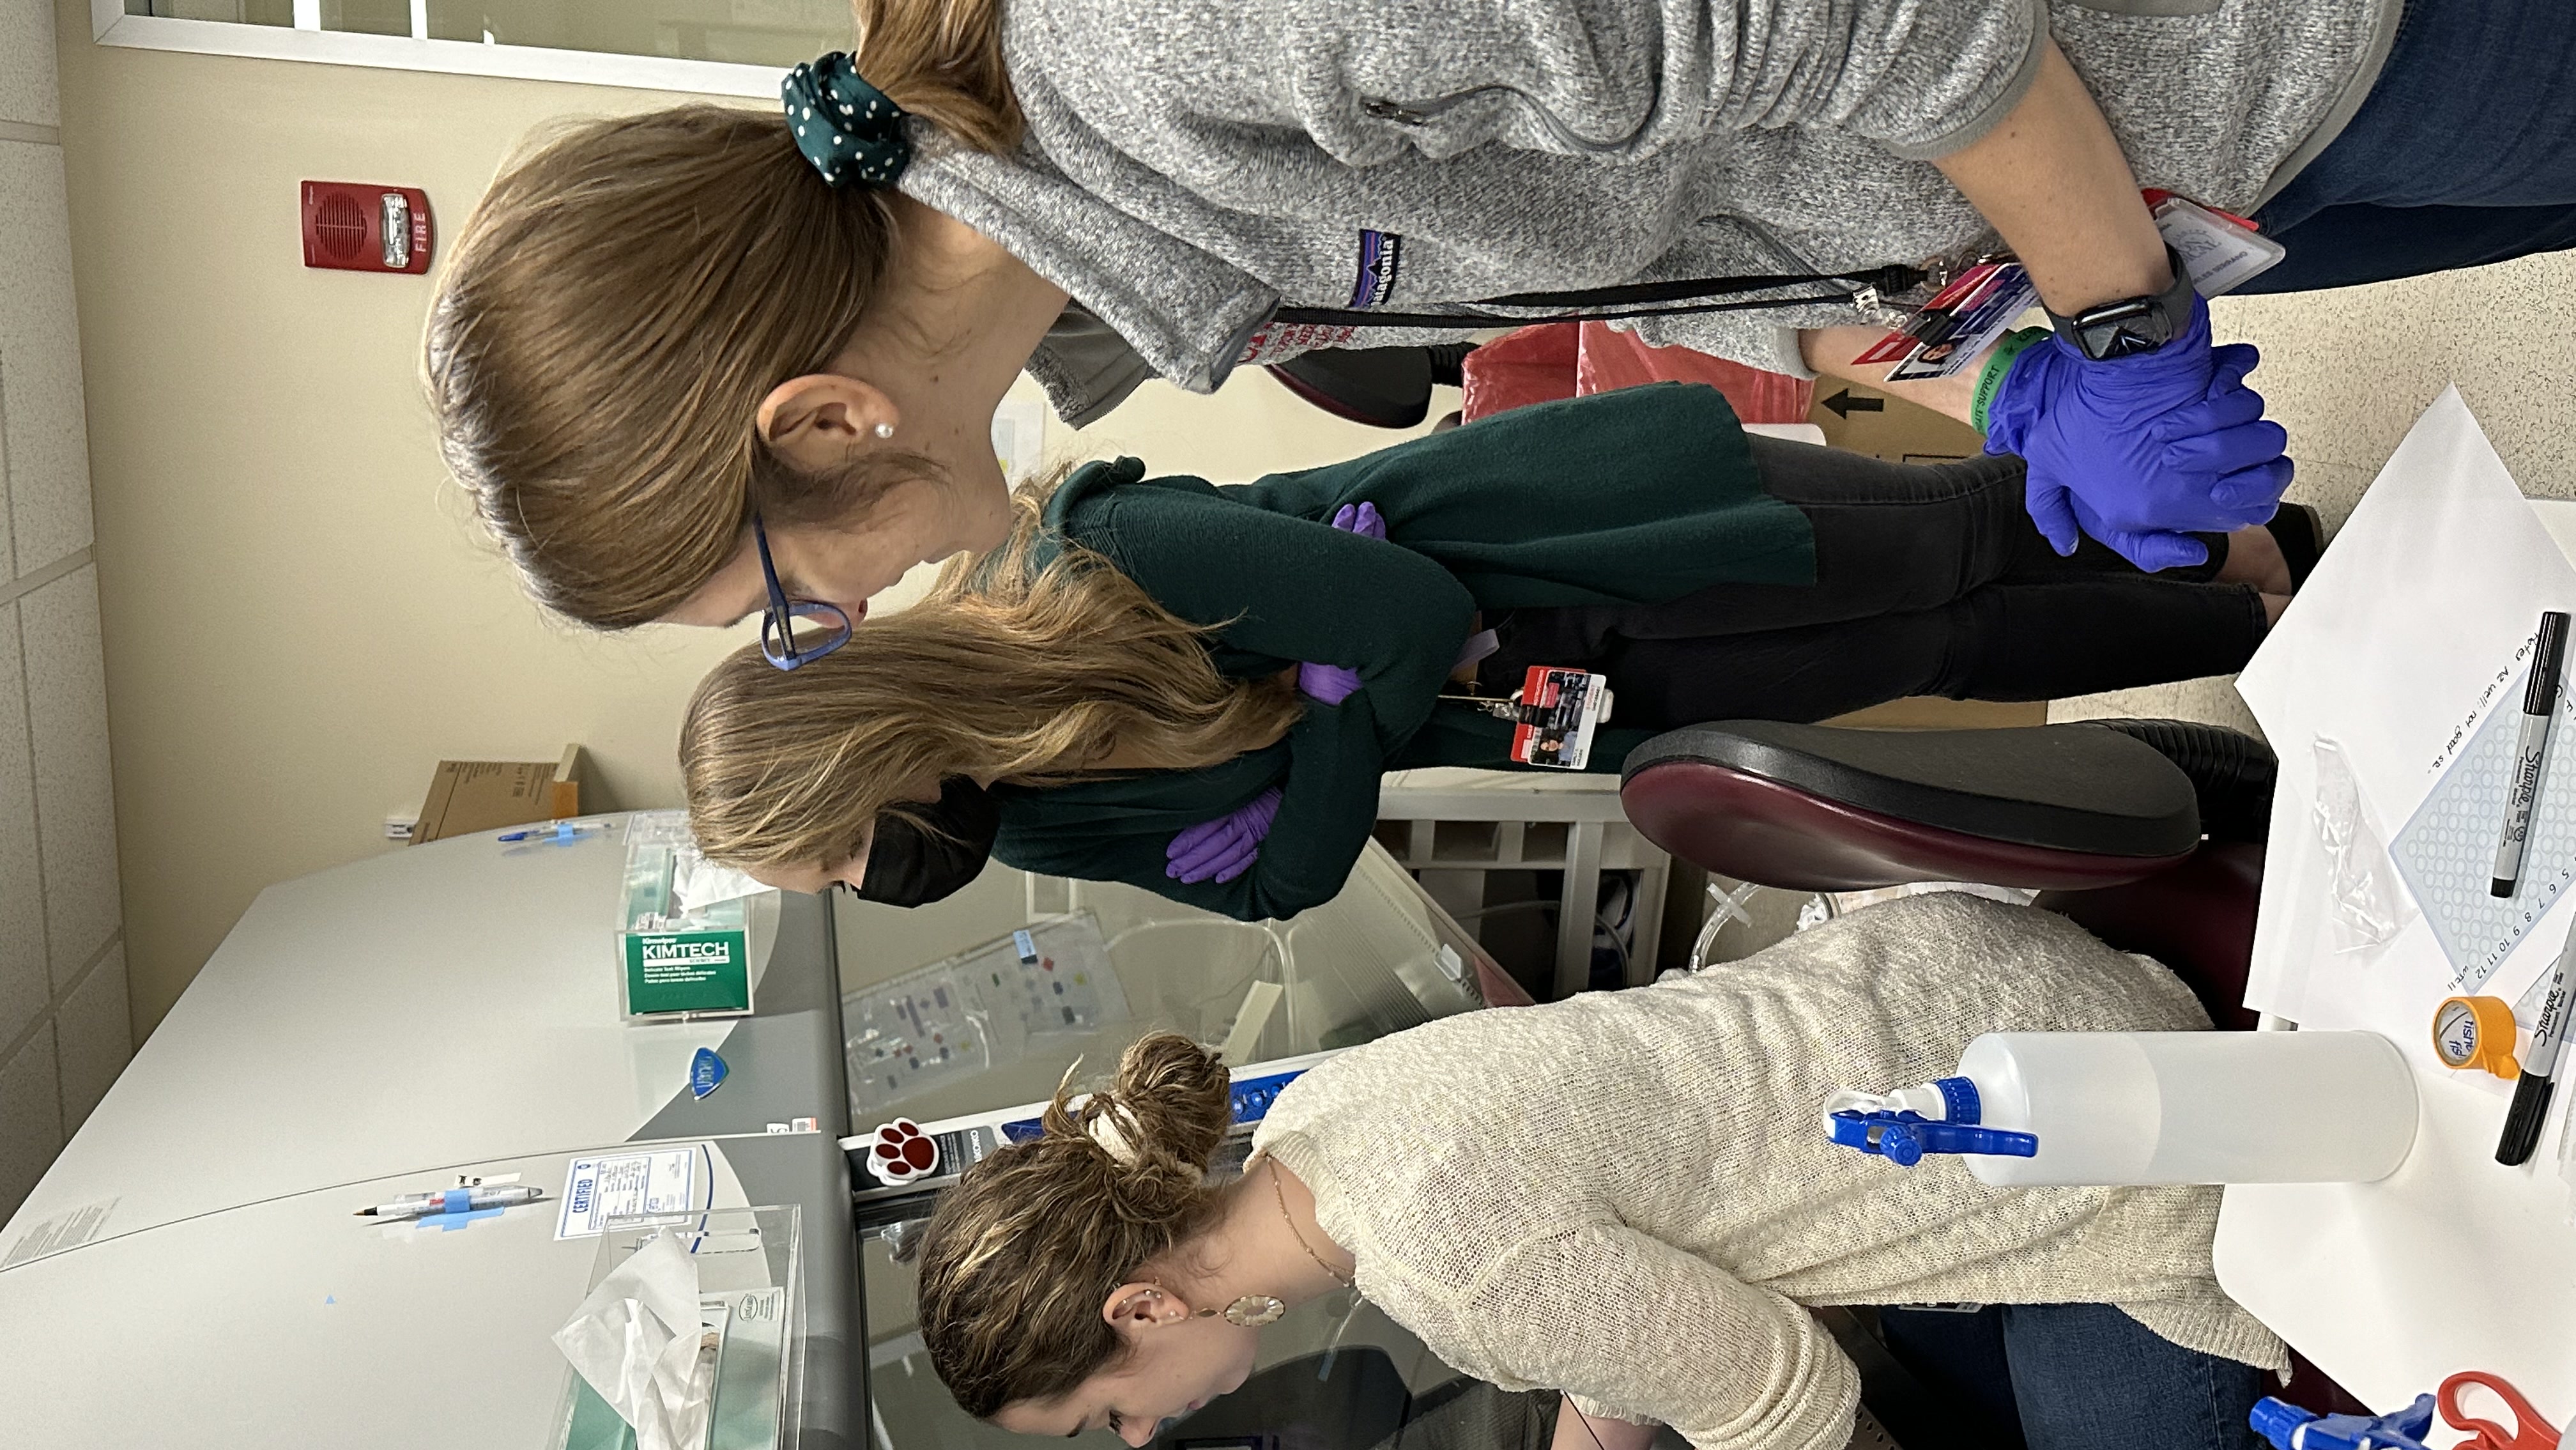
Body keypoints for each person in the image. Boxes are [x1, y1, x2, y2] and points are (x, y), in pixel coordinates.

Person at [438, 0, 2531, 644]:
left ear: (814, 423)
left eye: (790, 603)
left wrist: (2123, 329)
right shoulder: (1139, 257)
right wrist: (1997, 359)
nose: (847, 622)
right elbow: (1668, 222)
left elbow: (1887, 17)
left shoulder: (1158, 51)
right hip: (2152, 187)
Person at [905, 891, 2421, 1450]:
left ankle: (2504, 1409)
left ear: (1142, 1313)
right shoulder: (1317, 1127)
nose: (1130, 1442)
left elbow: (1792, 1402)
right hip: (1953, 986)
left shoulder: (1446, 1269)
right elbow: (1626, 1306)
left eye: (1099, 1414)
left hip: (2087, 1135)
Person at [679, 384, 2291, 920]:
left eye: (824, 849)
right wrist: (1328, 703)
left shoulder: (1092, 564)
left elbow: (1407, 619)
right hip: (1561, 703)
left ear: (858, 755)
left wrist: (1331, 715)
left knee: (1945, 536)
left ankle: (2247, 538)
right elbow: (1280, 884)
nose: (848, 882)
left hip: (1586, 541)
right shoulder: (1028, 814)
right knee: (1937, 647)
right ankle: (2250, 625)